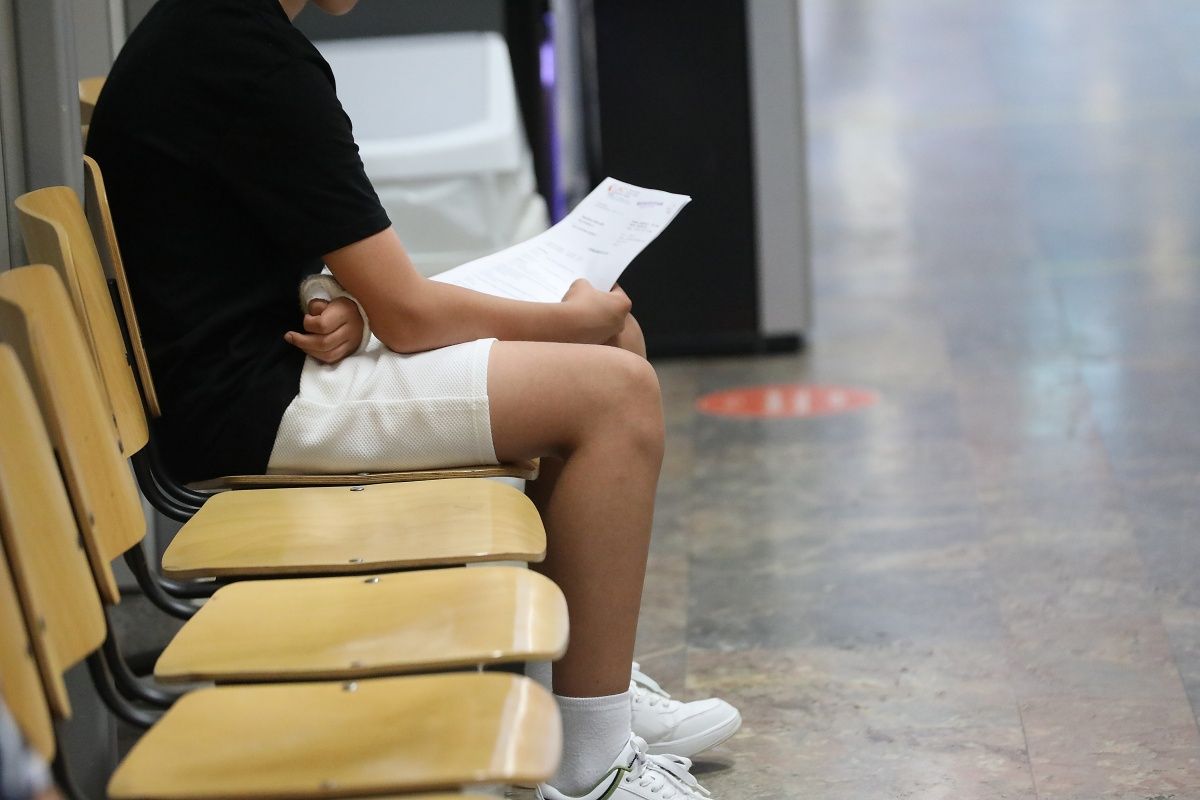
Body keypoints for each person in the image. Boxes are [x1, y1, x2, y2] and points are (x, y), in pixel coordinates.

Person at [86, 1, 738, 797]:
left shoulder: (211, 28)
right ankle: (592, 765)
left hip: (257, 373)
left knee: (610, 348)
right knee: (616, 393)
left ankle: (585, 688)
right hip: (255, 407)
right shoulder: (254, 59)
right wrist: (567, 319)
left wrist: (329, 298)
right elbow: (411, 316)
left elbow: (222, 245)